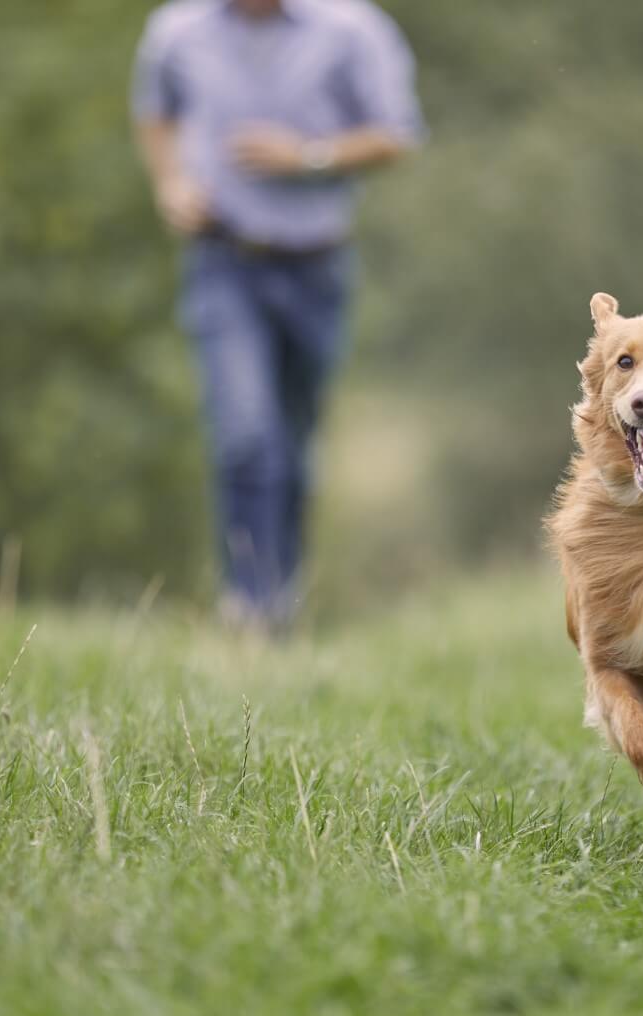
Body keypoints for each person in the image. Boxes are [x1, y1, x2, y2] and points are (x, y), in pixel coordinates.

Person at [132, 0, 423, 628]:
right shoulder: (177, 30)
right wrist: (171, 185)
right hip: (221, 260)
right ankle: (249, 602)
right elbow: (155, 115)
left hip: (315, 265)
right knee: (243, 434)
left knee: (291, 444)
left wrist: (309, 156)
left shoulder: (352, 28)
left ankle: (281, 594)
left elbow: (396, 134)